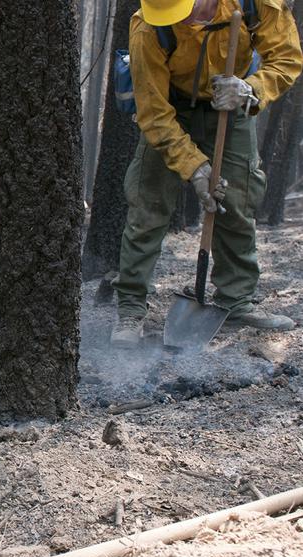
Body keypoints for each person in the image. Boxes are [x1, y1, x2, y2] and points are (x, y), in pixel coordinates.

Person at [111, 0, 302, 347]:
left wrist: (251, 89)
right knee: (147, 205)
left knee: (239, 198)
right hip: (171, 109)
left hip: (233, 104)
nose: (184, 20)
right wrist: (194, 168)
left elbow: (287, 58)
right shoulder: (148, 26)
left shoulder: (255, 3)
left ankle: (236, 299)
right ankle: (131, 306)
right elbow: (153, 112)